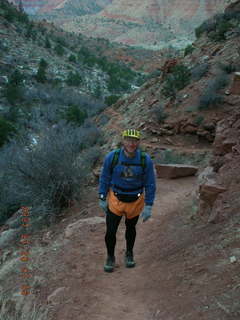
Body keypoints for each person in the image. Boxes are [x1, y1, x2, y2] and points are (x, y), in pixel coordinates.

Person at [99, 129, 156, 272]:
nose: (131, 143)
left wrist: (149, 205)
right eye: (128, 140)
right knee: (110, 231)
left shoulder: (144, 160)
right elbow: (105, 177)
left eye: (135, 140)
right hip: (115, 199)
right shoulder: (112, 157)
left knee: (131, 229)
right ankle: (110, 257)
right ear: (123, 141)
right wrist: (102, 197)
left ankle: (129, 253)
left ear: (139, 142)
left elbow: (150, 183)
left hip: (135, 201)